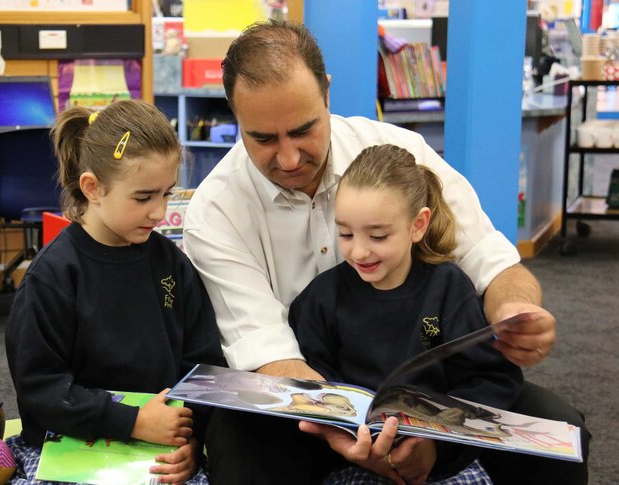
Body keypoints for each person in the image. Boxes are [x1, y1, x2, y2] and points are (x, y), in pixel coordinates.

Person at [182, 20, 588, 484]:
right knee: (239, 443)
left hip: (431, 396)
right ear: (234, 115)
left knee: (560, 434)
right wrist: (349, 427)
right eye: (264, 139)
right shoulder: (216, 212)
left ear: (327, 93)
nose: (290, 158)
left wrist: (516, 310)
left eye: (303, 129)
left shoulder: (397, 152)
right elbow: (269, 351)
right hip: (308, 403)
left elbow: (490, 261)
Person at [4, 99, 226, 485]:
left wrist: (192, 440)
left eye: (167, 194)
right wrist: (132, 421)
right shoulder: (53, 276)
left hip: (160, 449)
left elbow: (203, 365)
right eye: (143, 197)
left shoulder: (171, 265)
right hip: (70, 445)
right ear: (93, 188)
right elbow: (42, 390)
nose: (159, 212)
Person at [288, 144, 524, 484]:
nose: (359, 250)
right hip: (353, 460)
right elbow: (311, 378)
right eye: (345, 234)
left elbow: (492, 378)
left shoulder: (447, 288)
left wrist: (436, 442)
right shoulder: (323, 297)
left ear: (418, 225)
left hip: (443, 458)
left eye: (379, 235)